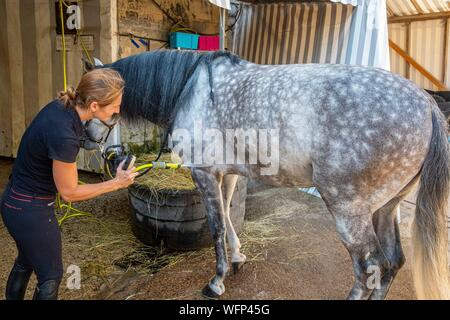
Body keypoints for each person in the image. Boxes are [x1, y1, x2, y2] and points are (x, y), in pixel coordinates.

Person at [0, 68, 138, 300]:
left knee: (26, 261)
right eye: (114, 105)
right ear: (94, 105)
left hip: (15, 202)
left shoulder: (61, 108)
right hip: (30, 210)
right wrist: (116, 184)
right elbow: (70, 192)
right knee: (51, 275)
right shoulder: (64, 134)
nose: (118, 110)